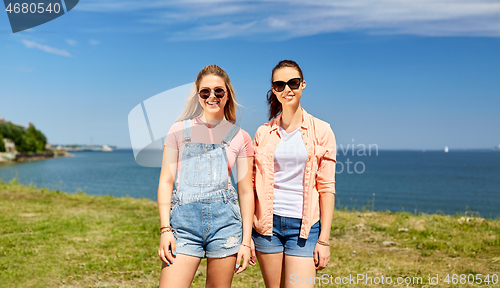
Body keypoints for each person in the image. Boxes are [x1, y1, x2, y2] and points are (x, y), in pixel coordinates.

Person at [157, 65, 255, 288]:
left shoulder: (241, 137)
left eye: (218, 91)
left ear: (227, 94)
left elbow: (246, 192)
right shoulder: (178, 130)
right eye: (205, 92)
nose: (212, 96)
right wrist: (165, 229)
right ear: (198, 95)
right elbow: (165, 182)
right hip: (183, 228)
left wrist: (246, 241)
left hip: (226, 227)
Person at [252, 60, 337, 288]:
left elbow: (327, 188)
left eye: (293, 83)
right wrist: (246, 238)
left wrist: (324, 241)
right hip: (267, 226)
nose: (286, 89)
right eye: (279, 85)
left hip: (305, 228)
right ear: (273, 90)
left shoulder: (322, 130)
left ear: (303, 85)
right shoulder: (263, 132)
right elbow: (251, 187)